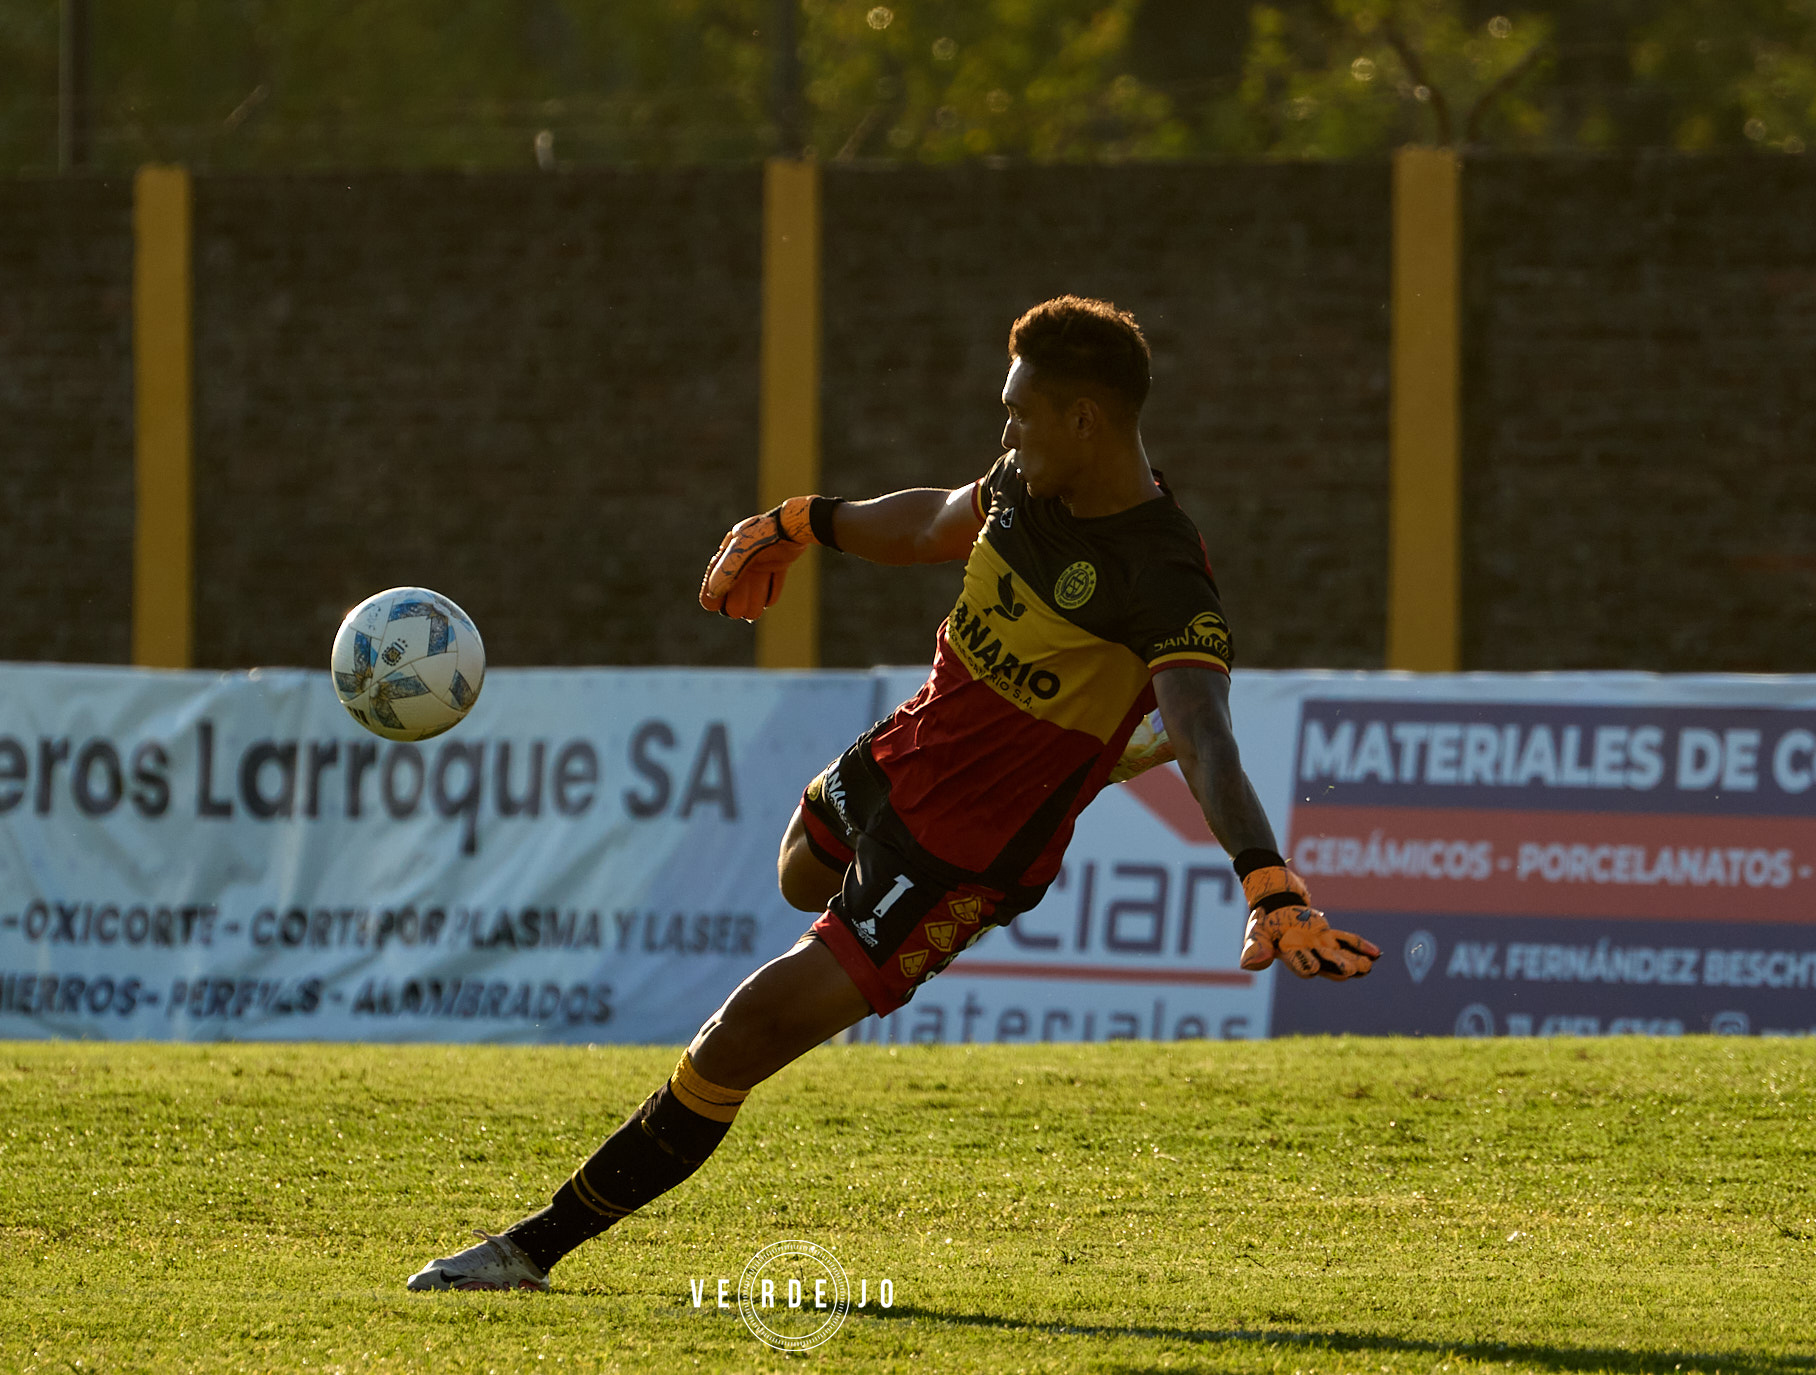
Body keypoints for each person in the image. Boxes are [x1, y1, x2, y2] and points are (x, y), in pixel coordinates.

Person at [406, 295, 1379, 1293]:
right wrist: (797, 522)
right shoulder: (1027, 480)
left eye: (1019, 412)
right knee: (796, 870)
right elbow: (928, 524)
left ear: (1084, 419)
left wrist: (1270, 886)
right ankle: (1112, 749)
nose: (1004, 431)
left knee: (744, 1033)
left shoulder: (1162, 575)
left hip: (965, 851)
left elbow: (1210, 737)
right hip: (907, 747)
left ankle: (528, 1249)